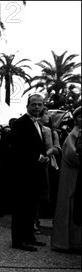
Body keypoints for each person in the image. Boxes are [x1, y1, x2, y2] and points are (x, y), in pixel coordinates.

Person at [10, 94, 49, 252]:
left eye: (40, 104)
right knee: (21, 208)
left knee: (31, 208)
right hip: (23, 175)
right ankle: (18, 240)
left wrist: (44, 156)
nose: (37, 107)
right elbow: (18, 149)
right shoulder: (20, 124)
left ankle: (29, 236)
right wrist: (38, 157)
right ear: (27, 106)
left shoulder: (37, 124)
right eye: (34, 104)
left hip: (35, 174)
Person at [51, 106, 81, 253]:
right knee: (71, 206)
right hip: (72, 177)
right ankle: (69, 242)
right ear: (76, 119)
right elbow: (72, 156)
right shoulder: (73, 135)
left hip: (76, 175)